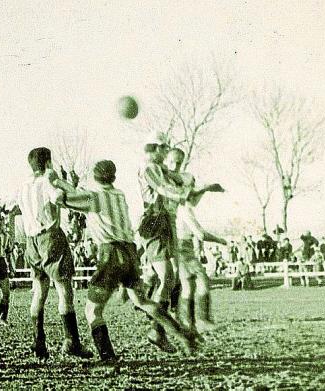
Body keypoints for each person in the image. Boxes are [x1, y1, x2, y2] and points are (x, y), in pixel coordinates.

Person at [64, 160, 198, 361]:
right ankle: (183, 334)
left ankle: (108, 357)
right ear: (114, 177)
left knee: (92, 309)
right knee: (142, 300)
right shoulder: (119, 195)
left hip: (110, 253)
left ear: (94, 177)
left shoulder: (93, 197)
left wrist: (60, 183)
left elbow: (64, 200)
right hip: (129, 252)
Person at [137, 137, 215, 352]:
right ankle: (157, 326)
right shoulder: (149, 167)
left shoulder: (161, 168)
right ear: (158, 149)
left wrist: (201, 188)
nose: (166, 153)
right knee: (166, 277)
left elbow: (181, 181)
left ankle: (161, 327)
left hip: (166, 222)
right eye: (164, 149)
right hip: (155, 221)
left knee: (172, 279)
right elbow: (165, 188)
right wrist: (188, 190)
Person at [15, 147, 93, 360]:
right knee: (64, 291)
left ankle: (38, 341)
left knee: (39, 291)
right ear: (48, 163)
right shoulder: (47, 181)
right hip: (50, 237)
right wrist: (60, 182)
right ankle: (71, 341)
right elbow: (64, 198)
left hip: (32, 242)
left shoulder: (23, 186)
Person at [163, 148, 226, 335]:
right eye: (173, 162)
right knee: (203, 282)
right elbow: (201, 234)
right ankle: (202, 320)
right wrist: (221, 240)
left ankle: (187, 322)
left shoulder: (183, 204)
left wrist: (206, 189)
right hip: (182, 247)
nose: (175, 166)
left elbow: (193, 196)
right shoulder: (184, 208)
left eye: (179, 163)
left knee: (188, 286)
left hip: (179, 245)